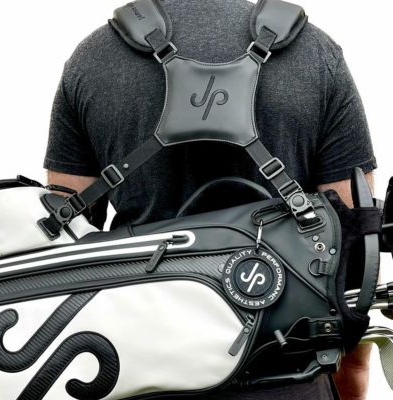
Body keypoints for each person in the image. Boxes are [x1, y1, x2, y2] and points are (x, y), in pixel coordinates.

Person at [43, 0, 377, 399]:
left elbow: (63, 248)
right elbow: (354, 253)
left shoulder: (93, 58)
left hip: (138, 368)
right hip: (287, 372)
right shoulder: (314, 53)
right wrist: (350, 382)